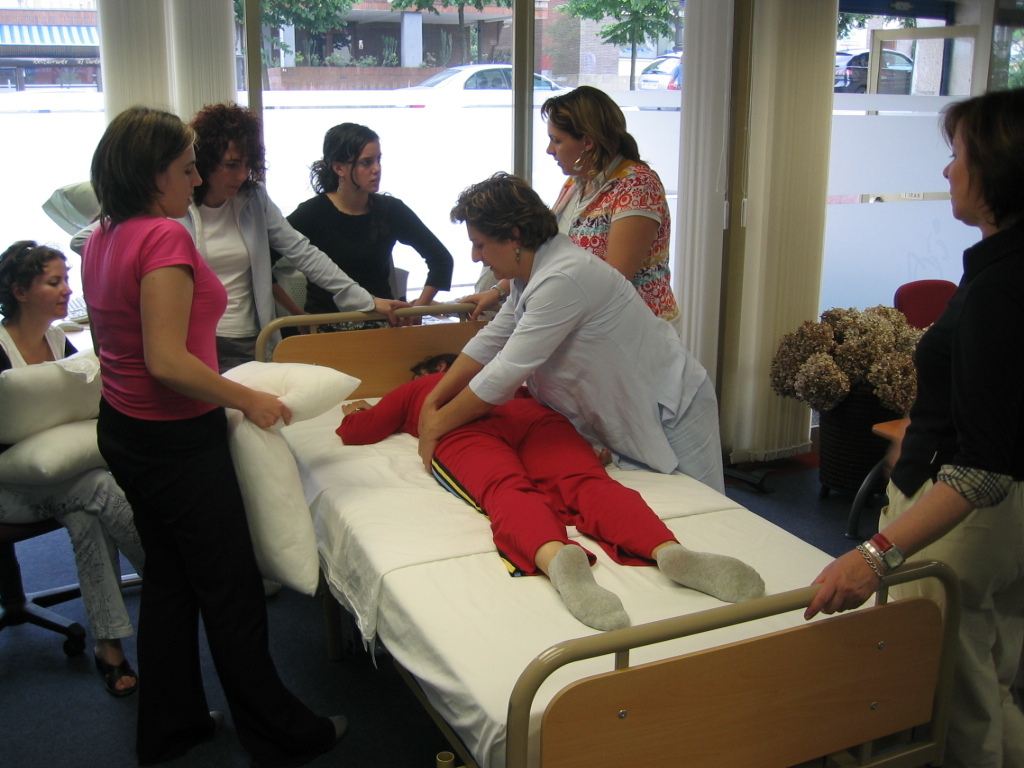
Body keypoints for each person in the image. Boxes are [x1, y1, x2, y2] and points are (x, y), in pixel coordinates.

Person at [82, 106, 345, 767]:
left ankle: (171, 727)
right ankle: (280, 735)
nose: (195, 176)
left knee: (170, 583)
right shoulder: (162, 238)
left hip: (125, 430)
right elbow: (167, 361)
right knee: (230, 591)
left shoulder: (103, 234)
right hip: (175, 438)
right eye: (185, 166)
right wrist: (248, 398)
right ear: (152, 175)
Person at [804, 89, 1024, 768]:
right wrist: (923, 434)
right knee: (996, 676)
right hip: (1002, 514)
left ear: (998, 168)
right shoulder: (1003, 266)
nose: (946, 172)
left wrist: (874, 556)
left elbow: (984, 468)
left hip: (966, 518)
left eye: (956, 156)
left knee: (957, 699)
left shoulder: (1001, 286)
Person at [340, 372, 763, 631]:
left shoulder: (417, 390)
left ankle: (554, 556)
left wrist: (355, 410)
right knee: (588, 483)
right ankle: (668, 549)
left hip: (462, 432)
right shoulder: (504, 376)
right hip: (533, 418)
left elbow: (360, 431)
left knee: (506, 490)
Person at [417, 172, 725, 497]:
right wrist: (433, 401)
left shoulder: (564, 277)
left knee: (710, 513)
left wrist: (437, 424)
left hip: (674, 406)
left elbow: (505, 371)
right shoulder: (529, 276)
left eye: (480, 244)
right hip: (631, 408)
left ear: (514, 236)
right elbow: (490, 341)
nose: (476, 257)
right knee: (673, 517)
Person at [0, 240, 145, 697]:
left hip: (64, 483)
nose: (67, 290)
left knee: (88, 506)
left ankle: (108, 645)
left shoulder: (61, 342)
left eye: (66, 279)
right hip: (7, 490)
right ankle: (173, 572)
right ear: (20, 291)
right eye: (54, 281)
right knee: (98, 489)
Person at [187, 103, 407, 371]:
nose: (242, 174)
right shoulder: (179, 206)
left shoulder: (253, 198)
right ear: (207, 160)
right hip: (196, 337)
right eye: (232, 165)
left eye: (248, 164)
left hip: (248, 337)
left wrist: (365, 299)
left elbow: (303, 252)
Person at [464, 86, 679, 327]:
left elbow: (615, 279)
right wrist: (498, 292)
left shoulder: (637, 186)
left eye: (557, 140)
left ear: (587, 142)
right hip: (587, 324)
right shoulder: (576, 184)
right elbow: (545, 252)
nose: (550, 150)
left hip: (634, 329)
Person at [288, 122, 454, 328]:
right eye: (366, 163)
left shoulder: (390, 210)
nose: (377, 169)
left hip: (381, 325)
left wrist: (419, 308)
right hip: (325, 327)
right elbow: (264, 264)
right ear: (339, 168)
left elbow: (441, 260)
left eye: (378, 160)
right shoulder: (312, 213)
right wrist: (300, 317)